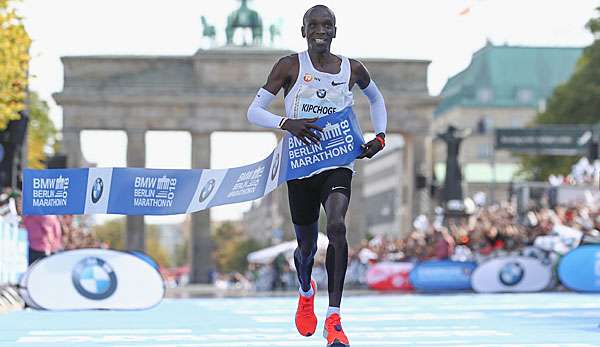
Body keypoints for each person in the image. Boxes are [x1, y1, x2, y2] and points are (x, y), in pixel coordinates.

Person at [246, 5, 387, 346]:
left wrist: (380, 135)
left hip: (338, 160)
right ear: (303, 30)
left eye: (327, 25)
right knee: (306, 247)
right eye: (314, 25)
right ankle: (305, 290)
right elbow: (254, 111)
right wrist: (287, 123)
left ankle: (334, 317)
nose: (320, 30)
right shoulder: (289, 65)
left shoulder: (352, 68)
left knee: (337, 226)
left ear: (335, 31)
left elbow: (376, 98)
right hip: (301, 166)